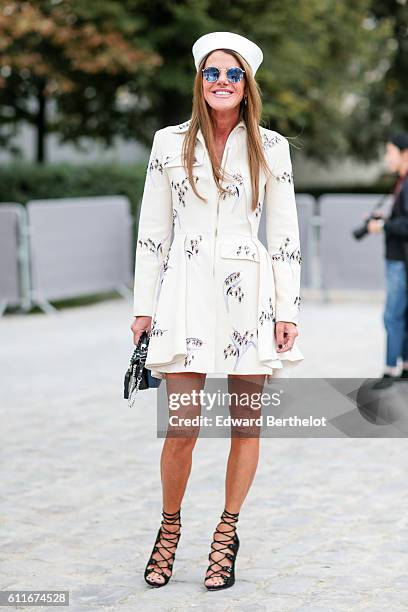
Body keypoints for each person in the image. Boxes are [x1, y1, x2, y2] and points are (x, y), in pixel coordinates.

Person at [130, 31, 304, 590]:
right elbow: (153, 232)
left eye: (232, 74)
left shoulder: (270, 147)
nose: (221, 82)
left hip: (249, 297)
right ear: (199, 81)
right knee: (181, 427)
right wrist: (143, 307)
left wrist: (287, 310)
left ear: (246, 83)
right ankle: (169, 527)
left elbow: (284, 234)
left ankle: (226, 532)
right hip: (182, 293)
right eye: (212, 73)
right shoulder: (168, 143)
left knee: (245, 425)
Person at [367, 132, 408, 382]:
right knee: (400, 315)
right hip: (399, 259)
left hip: (400, 261)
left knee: (392, 315)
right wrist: (385, 220)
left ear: (405, 153)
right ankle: (403, 367)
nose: (386, 158)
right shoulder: (402, 182)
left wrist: (382, 226)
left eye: (389, 152)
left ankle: (390, 370)